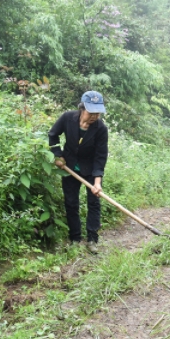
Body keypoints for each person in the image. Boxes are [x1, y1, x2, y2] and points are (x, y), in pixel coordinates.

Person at [49, 91, 109, 246]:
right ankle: (75, 238)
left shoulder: (101, 128)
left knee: (94, 202)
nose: (95, 116)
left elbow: (100, 157)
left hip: (90, 169)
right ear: (82, 108)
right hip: (68, 166)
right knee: (71, 202)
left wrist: (97, 182)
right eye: (91, 112)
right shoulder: (67, 118)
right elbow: (53, 135)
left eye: (98, 112)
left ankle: (92, 239)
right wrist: (58, 155)